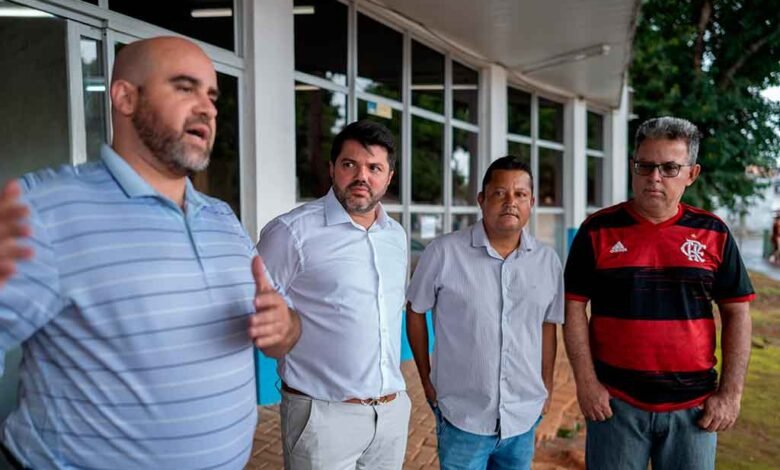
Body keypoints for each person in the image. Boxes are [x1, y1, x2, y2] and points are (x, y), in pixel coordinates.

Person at [0, 36, 300, 469]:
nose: (208, 108)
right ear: (125, 97)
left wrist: (284, 327)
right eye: (185, 87)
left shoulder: (222, 219)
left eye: (212, 96)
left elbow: (286, 332)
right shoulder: (42, 209)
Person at [564, 116, 754, 470]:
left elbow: (738, 313)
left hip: (694, 409)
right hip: (614, 405)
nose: (654, 177)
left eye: (669, 168)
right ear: (632, 167)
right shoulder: (597, 230)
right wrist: (586, 383)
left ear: (691, 174)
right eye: (645, 165)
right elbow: (573, 307)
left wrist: (730, 393)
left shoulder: (714, 233)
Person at [254, 119, 411, 469]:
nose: (361, 177)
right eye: (349, 164)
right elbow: (253, 308)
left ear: (389, 177)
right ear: (332, 168)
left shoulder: (396, 236)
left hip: (390, 414)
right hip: (322, 418)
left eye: (374, 168)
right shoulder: (291, 233)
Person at [406, 156, 563, 470]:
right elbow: (415, 311)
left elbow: (548, 326)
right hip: (463, 417)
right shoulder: (444, 252)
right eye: (499, 193)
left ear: (531, 202)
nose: (510, 202)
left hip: (522, 418)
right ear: (481, 199)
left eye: (520, 194)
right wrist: (425, 378)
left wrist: (546, 387)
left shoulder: (548, 261)